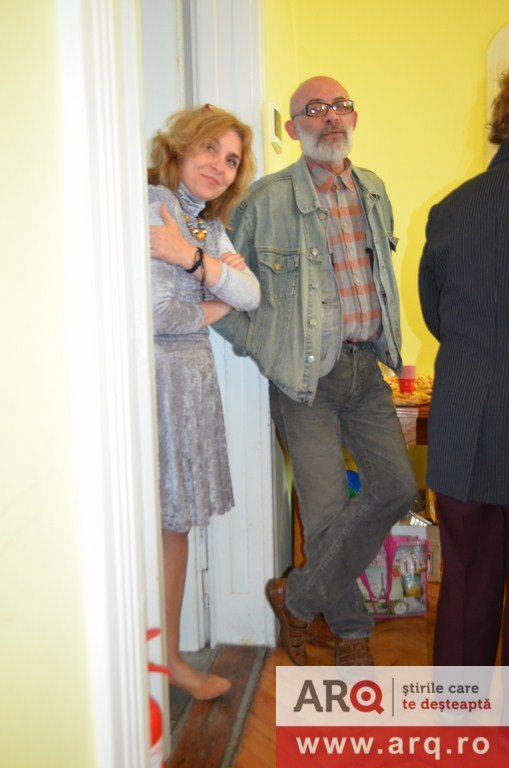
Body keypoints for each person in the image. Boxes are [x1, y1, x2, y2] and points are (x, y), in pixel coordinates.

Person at [213, 76, 416, 666]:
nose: (331, 117)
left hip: (365, 369)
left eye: (341, 106)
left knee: (397, 487)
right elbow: (223, 291)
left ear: (355, 117)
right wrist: (264, 347)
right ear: (293, 126)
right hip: (304, 382)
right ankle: (351, 633)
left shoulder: (373, 190)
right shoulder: (263, 202)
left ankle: (297, 599)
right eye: (316, 108)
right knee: (325, 511)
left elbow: (379, 280)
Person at [148, 105, 260, 698]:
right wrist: (216, 296)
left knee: (176, 528)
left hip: (192, 390)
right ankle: (149, 662)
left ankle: (166, 660)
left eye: (232, 159)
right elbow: (156, 317)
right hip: (159, 387)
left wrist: (192, 259)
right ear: (182, 146)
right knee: (155, 527)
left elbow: (252, 293)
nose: (220, 165)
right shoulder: (153, 206)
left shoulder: (204, 228)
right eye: (210, 148)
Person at [419, 70, 509, 666]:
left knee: (468, 580)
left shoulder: (452, 209)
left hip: (468, 425)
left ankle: (459, 710)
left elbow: (437, 315)